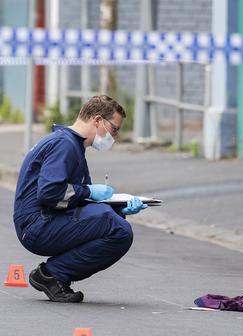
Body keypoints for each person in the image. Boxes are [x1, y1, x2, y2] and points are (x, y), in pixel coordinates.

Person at [12, 95, 148, 303]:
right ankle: (52, 275)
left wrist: (118, 209)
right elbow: (50, 194)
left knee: (113, 221)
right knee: (118, 230)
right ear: (97, 120)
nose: (115, 136)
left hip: (41, 221)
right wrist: (89, 192)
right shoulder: (64, 145)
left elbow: (74, 202)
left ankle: (53, 274)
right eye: (114, 129)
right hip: (37, 225)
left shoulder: (71, 144)